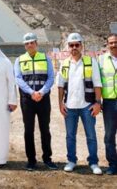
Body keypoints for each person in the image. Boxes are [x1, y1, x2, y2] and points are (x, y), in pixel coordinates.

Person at [57, 33, 102, 174]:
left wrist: (97, 103)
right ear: (68, 47)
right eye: (71, 45)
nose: (74, 47)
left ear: (81, 46)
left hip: (87, 106)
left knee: (91, 136)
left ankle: (93, 162)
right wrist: (60, 104)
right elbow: (60, 85)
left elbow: (97, 84)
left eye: (77, 45)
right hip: (69, 107)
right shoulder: (64, 64)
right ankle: (71, 160)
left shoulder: (90, 61)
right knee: (70, 135)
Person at [14, 32, 57, 171]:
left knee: (45, 129)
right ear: (24, 45)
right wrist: (32, 92)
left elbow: (51, 77)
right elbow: (18, 79)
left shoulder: (45, 58)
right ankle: (31, 160)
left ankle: (47, 159)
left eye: (32, 42)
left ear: (36, 43)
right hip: (27, 100)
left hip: (43, 99)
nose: (29, 45)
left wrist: (41, 92)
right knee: (28, 130)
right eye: (27, 43)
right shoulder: (19, 60)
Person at [98, 33, 117, 175]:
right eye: (111, 42)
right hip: (109, 102)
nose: (113, 45)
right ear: (107, 44)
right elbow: (97, 82)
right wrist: (98, 101)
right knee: (109, 135)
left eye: (115, 42)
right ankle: (113, 164)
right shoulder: (101, 60)